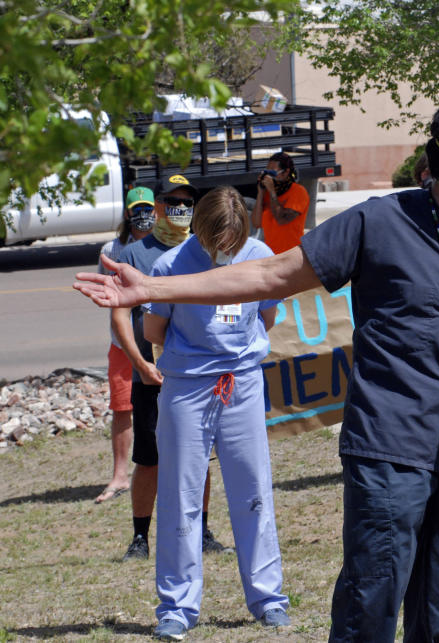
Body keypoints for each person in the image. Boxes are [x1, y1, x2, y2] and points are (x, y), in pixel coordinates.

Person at [75, 97, 439, 642]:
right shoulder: (380, 222)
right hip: (389, 444)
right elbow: (271, 276)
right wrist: (155, 288)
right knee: (371, 598)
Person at [143, 186, 289, 641]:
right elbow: (155, 329)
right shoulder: (169, 266)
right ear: (199, 230)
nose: (224, 252)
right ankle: (177, 606)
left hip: (242, 385)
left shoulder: (260, 254)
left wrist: (237, 357)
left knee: (253, 490)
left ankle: (268, 598)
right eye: (215, 243)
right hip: (188, 389)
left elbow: (266, 316)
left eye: (232, 243)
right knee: (180, 496)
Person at [111, 175, 229, 561]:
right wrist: (140, 362)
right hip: (152, 375)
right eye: (173, 201)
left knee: (201, 453)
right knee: (150, 457)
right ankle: (140, 537)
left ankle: (205, 529)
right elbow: (120, 317)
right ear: (158, 206)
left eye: (187, 202)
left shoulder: (204, 253)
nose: (180, 209)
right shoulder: (134, 254)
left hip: (196, 373)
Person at [95, 186, 156, 504]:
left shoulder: (161, 245)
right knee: (122, 408)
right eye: (138, 208)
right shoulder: (112, 248)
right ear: (128, 213)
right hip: (122, 345)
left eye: (148, 207)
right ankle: (119, 477)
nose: (143, 214)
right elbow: (106, 295)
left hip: (156, 344)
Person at [251, 151, 310, 254]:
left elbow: (281, 220)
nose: (268, 176)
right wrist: (260, 193)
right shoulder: (267, 194)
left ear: (286, 172)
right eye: (267, 172)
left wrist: (272, 191)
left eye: (272, 172)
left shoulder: (298, 192)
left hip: (291, 253)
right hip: (271, 254)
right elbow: (256, 223)